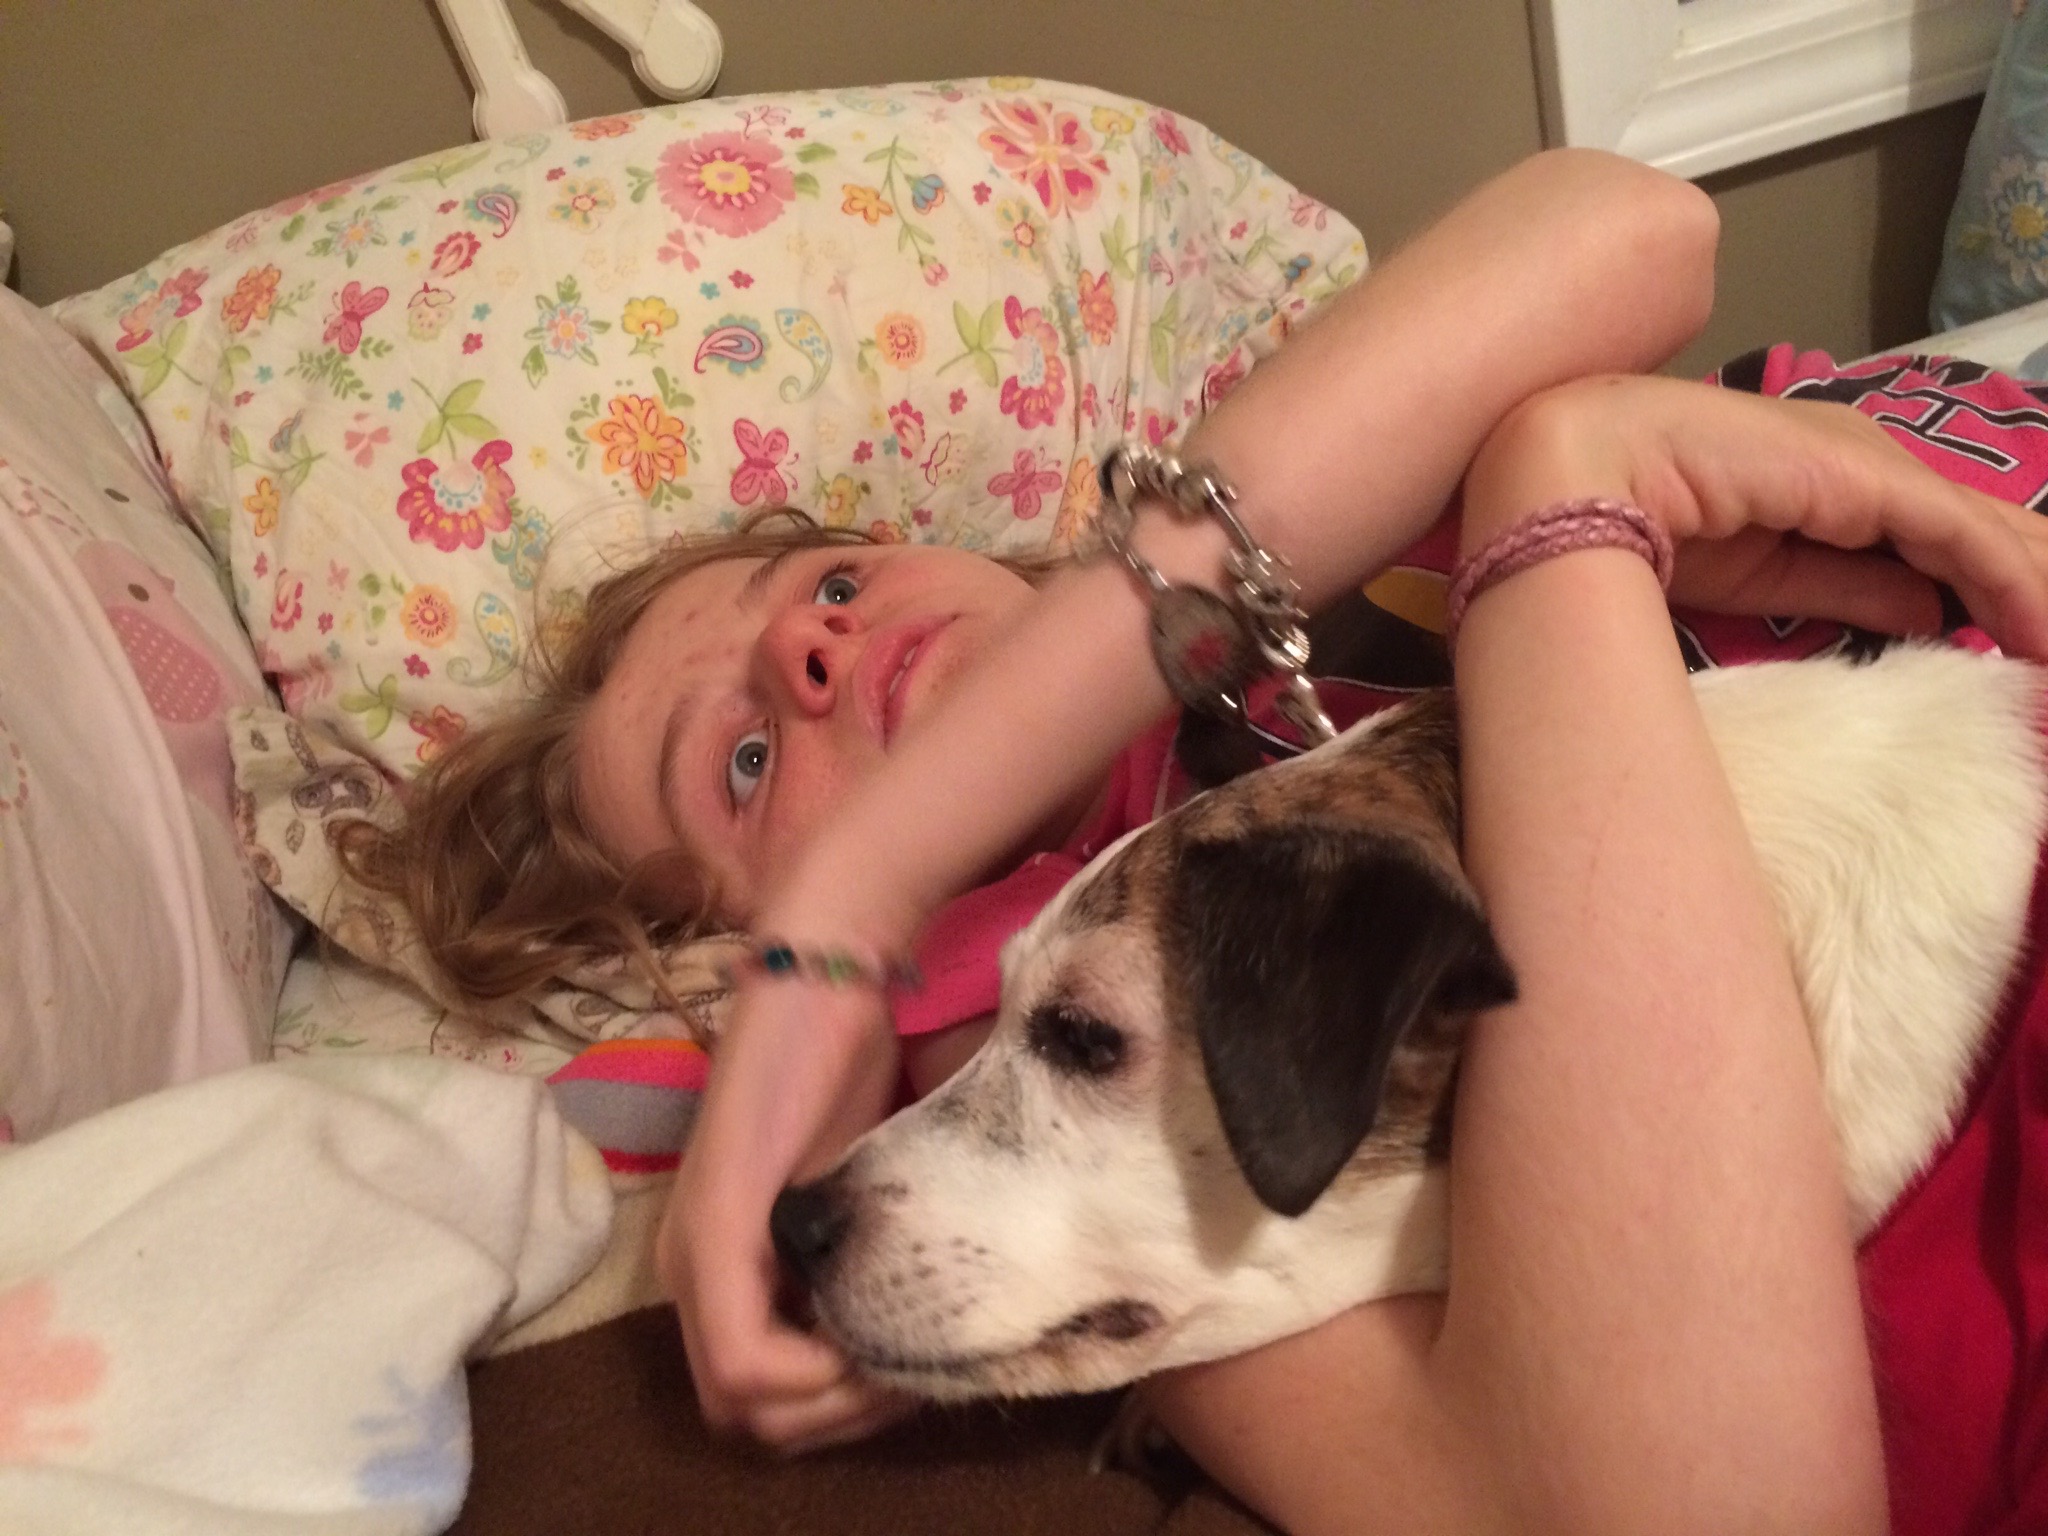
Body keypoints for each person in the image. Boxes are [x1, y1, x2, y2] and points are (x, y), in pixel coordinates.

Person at [345, 146, 2048, 1533]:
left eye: (832, 580)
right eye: (737, 763)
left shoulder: (1288, 528)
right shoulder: (995, 994)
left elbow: (1636, 226)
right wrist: (1570, 488)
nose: (812, 651)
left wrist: (861, 871)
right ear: (724, 919)